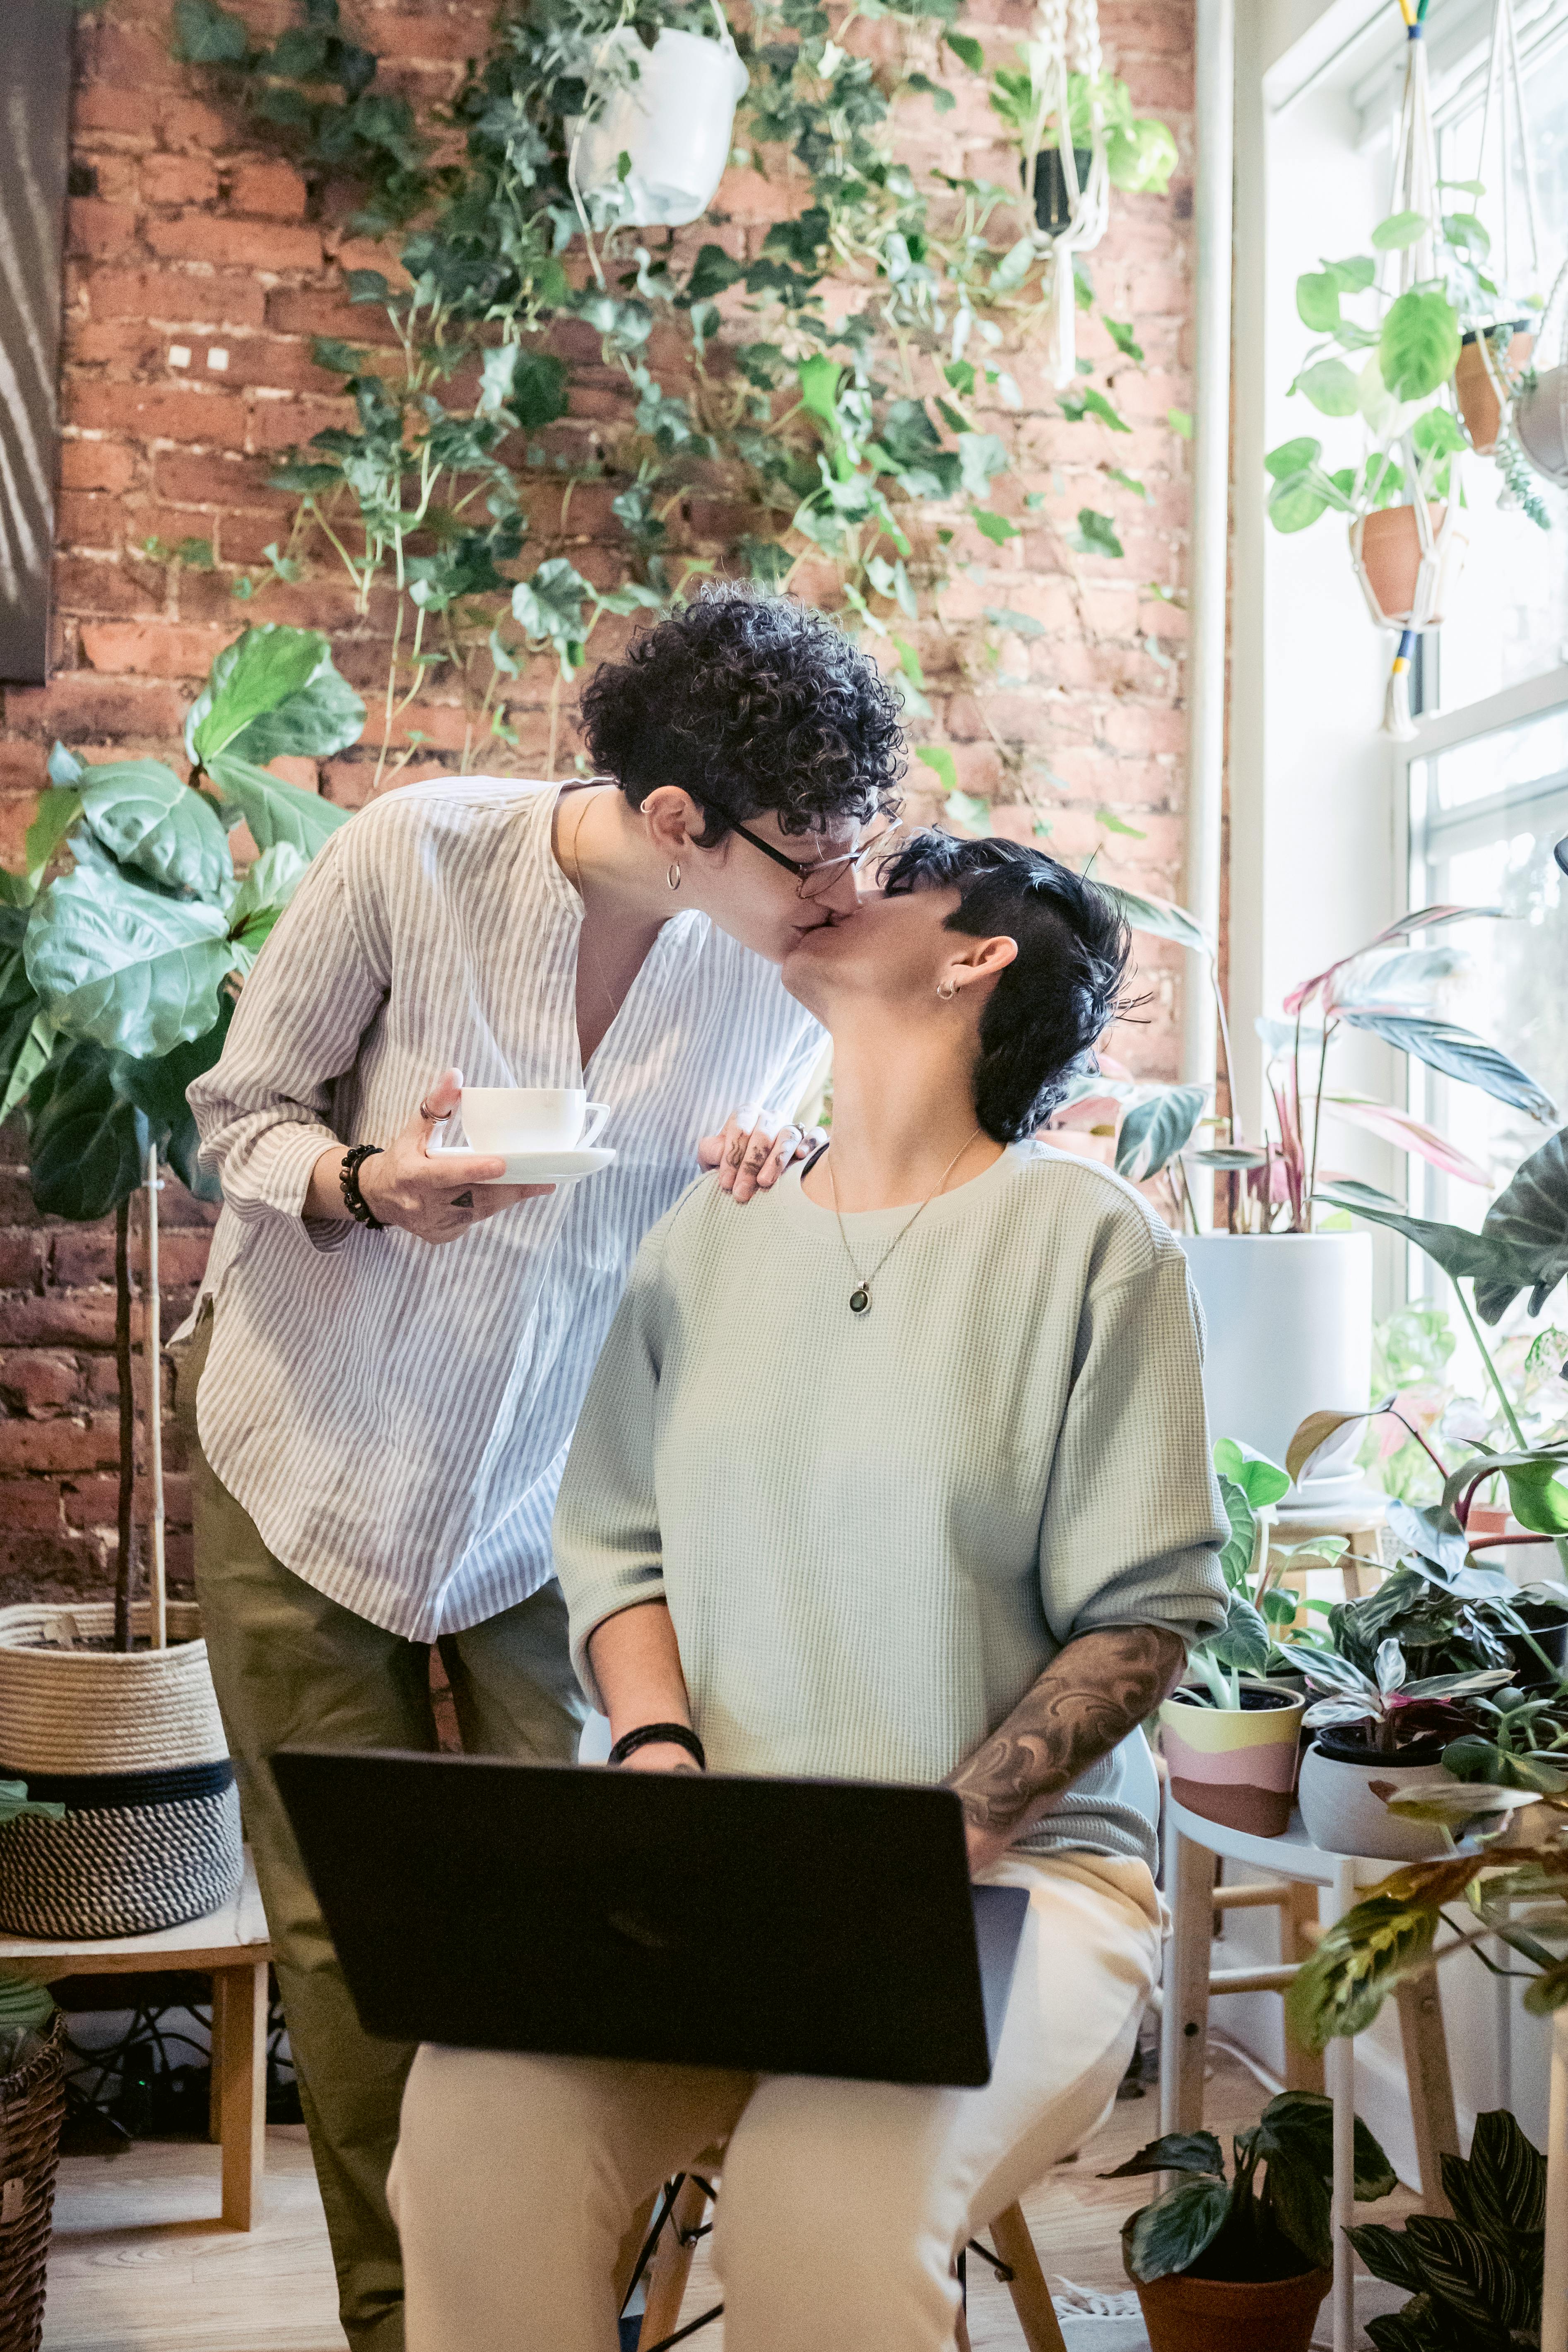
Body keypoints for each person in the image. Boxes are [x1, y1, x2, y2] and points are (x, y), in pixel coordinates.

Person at [175, 587, 906, 2352]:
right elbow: (235, 1117)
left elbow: (852, 1209)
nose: (846, 887)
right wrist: (369, 1183)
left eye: (861, 838)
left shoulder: (802, 971)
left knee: (585, 1942)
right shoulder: (409, 855)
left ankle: (563, 2312)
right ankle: (397, 2327)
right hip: (307, 1450)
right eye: (811, 852)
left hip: (562, 1510)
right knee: (349, 1947)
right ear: (679, 825)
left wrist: (802, 1171)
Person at [387, 831, 1231, 2352]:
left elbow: (1142, 1615)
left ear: (979, 955)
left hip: (1009, 1894)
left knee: (818, 2204)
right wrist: (657, 1758)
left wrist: (932, 1848)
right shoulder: (711, 1227)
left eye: (897, 881)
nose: (837, 887)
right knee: (473, 2122)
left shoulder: (1091, 1246)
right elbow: (618, 1543)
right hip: (708, 1887)